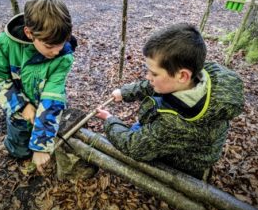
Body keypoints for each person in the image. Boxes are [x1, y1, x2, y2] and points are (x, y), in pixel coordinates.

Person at [96, 23, 244, 179]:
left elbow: (134, 146)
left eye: (154, 73)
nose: (147, 77)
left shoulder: (175, 125)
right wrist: (125, 93)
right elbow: (153, 85)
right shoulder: (200, 74)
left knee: (138, 146)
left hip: (186, 160)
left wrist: (110, 120)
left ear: (182, 76)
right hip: (186, 141)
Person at [0, 0, 77, 173]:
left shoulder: (64, 56)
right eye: (50, 46)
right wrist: (21, 105)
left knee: (42, 137)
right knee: (18, 149)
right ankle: (18, 149)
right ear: (29, 33)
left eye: (62, 44)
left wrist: (41, 145)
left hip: (44, 105)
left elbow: (52, 96)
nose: (57, 51)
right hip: (16, 108)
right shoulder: (6, 44)